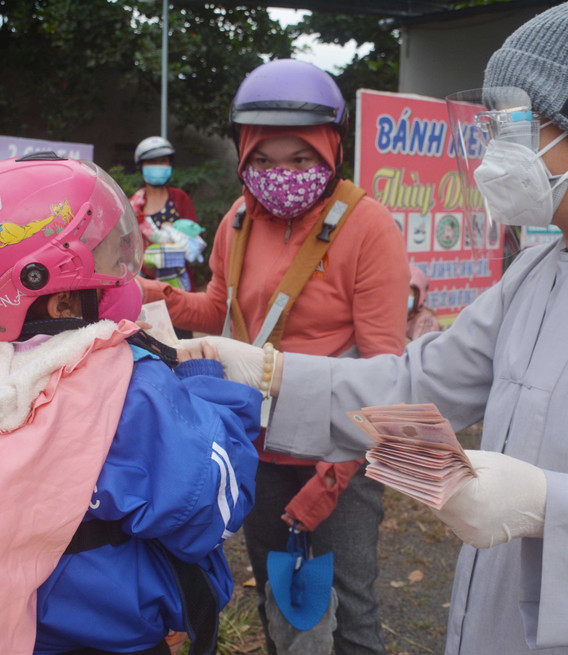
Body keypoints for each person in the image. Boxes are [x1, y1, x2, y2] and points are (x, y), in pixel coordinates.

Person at [190, 3, 568, 653]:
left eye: (507, 123)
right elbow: (417, 382)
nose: (491, 148)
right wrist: (266, 376)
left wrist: (551, 507)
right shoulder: (540, 267)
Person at [0, 154, 261, 655]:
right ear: (56, 295)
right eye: (109, 260)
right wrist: (206, 385)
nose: (121, 274)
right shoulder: (132, 387)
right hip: (101, 632)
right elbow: (212, 506)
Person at [138, 59, 409, 654]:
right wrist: (155, 297)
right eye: (262, 159)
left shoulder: (369, 228)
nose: (279, 174)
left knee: (351, 605)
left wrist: (333, 478)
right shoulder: (239, 218)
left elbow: (387, 375)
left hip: (339, 451)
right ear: (243, 156)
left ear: (331, 152)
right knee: (278, 594)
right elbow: (220, 308)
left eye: (299, 158)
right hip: (257, 441)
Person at [131, 136, 200, 292]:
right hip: (146, 286)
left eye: (163, 161)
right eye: (152, 162)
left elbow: (196, 242)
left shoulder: (180, 198)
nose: (158, 166)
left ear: (170, 165)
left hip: (181, 285)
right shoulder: (132, 206)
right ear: (140, 166)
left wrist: (175, 230)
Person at [406, 263, 441, 342]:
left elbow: (418, 352)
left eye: (408, 292)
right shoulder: (395, 318)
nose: (402, 296)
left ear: (420, 295)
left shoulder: (426, 321)